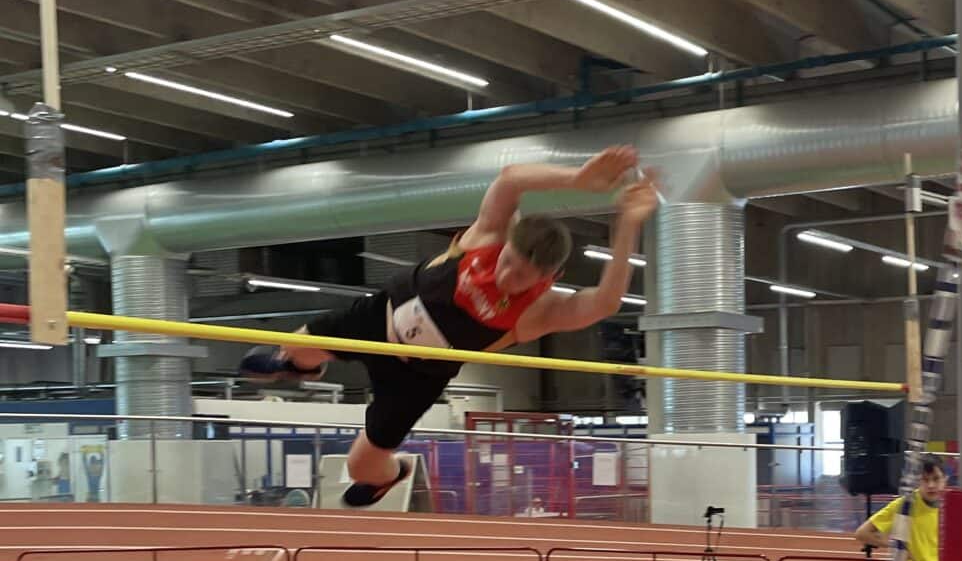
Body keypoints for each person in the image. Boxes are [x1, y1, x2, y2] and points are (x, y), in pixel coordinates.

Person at [240, 145, 655, 506]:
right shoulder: (488, 236)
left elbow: (605, 301)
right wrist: (578, 179)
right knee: (293, 346)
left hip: (416, 377)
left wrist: (628, 225)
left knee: (361, 468)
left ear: (549, 278)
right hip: (379, 318)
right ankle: (303, 366)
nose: (507, 276)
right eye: (508, 261)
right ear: (507, 243)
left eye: (522, 276)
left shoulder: (540, 311)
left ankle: (392, 474)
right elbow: (511, 179)